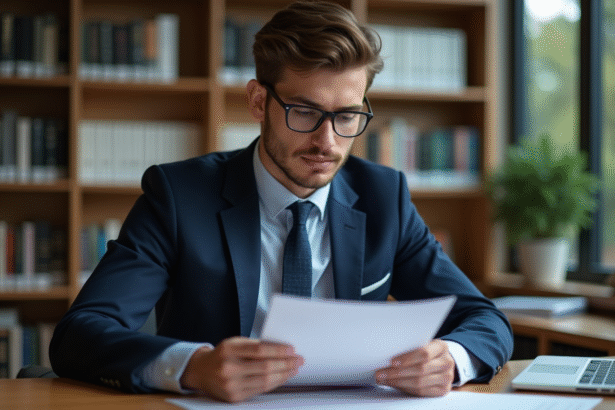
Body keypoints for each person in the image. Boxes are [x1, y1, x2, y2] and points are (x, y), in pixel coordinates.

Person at [49, 0, 513, 403]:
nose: (326, 141)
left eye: (347, 115)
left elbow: (484, 319)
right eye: (305, 112)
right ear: (258, 102)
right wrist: (192, 367)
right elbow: (81, 333)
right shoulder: (178, 196)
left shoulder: (383, 198)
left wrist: (452, 359)